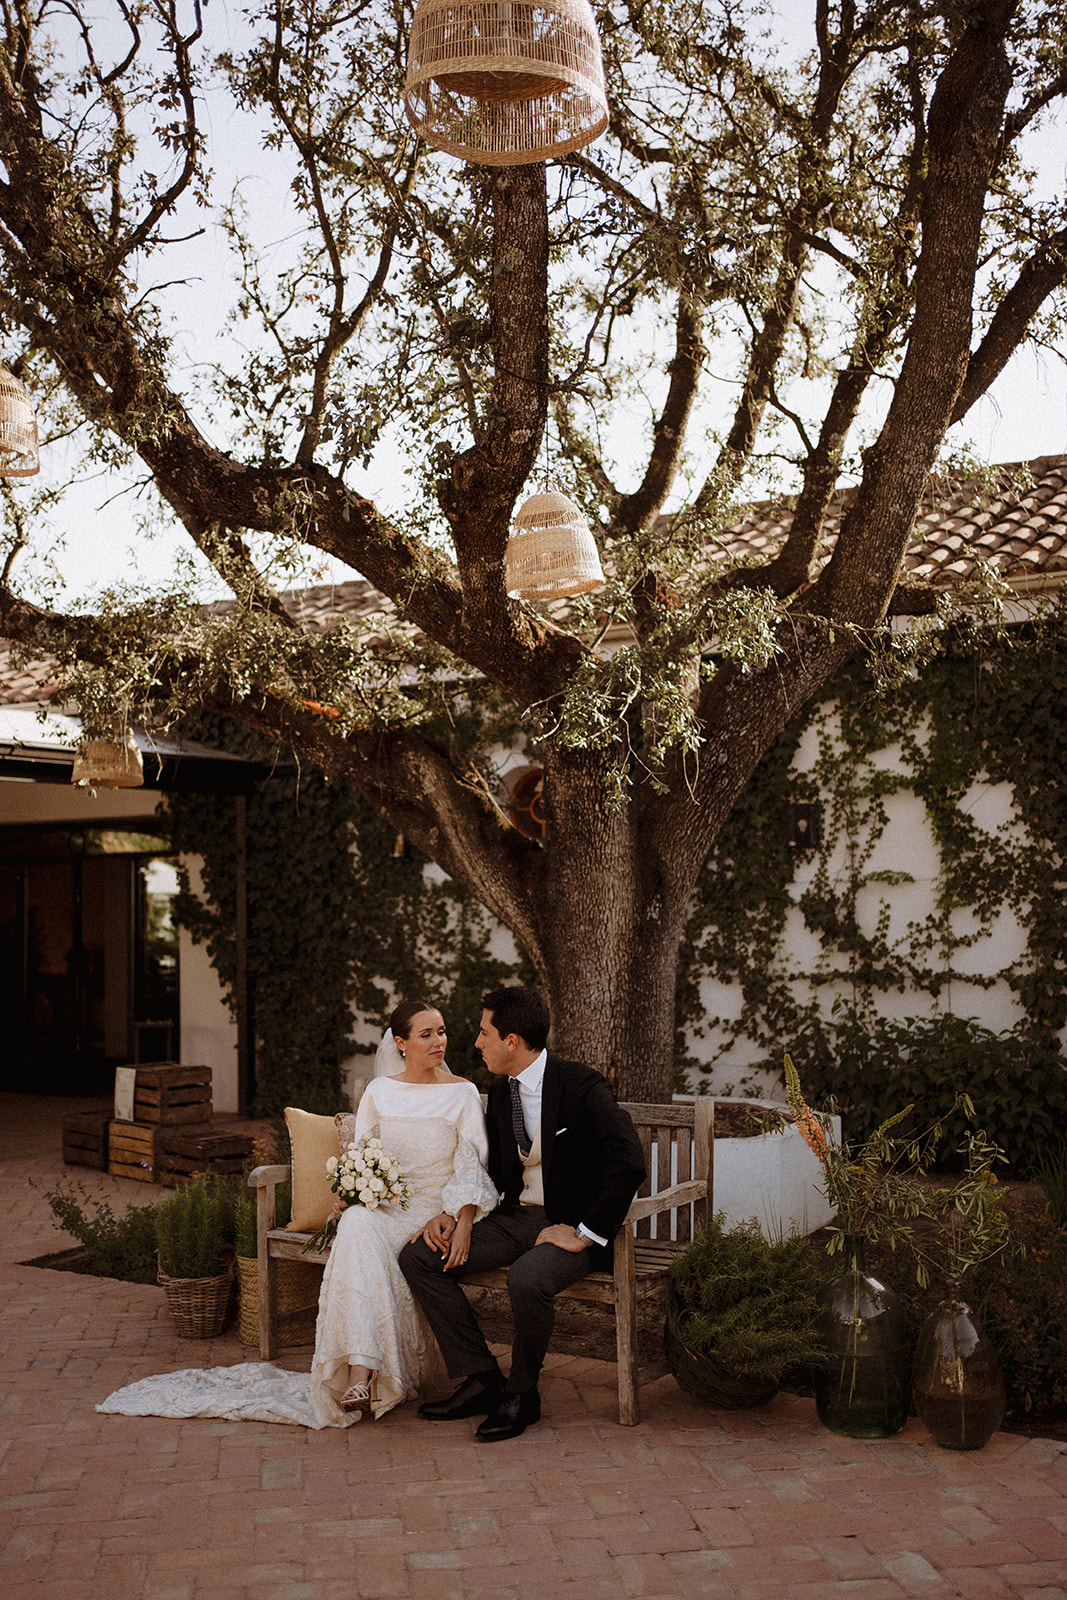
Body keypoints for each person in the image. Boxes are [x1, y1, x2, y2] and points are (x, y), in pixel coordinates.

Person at [96, 999, 499, 1429]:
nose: (439, 1042)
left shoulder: (461, 1093)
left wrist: (455, 1216)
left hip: (432, 1212)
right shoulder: (380, 1092)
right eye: (427, 1034)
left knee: (359, 1235)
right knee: (357, 1222)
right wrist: (352, 1193)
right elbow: (363, 1153)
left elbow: (472, 1165)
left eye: (442, 1032)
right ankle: (360, 1371)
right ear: (400, 1043)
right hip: (385, 1206)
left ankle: (369, 1370)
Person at [399, 986, 646, 1441]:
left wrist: (585, 1233)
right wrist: (456, 1214)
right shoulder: (501, 1091)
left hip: (572, 1225)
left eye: (484, 1033)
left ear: (511, 1041)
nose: (477, 1042)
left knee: (527, 1278)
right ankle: (481, 1379)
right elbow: (491, 1172)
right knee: (419, 1257)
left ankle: (522, 1393)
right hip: (516, 1218)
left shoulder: (582, 1085)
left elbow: (629, 1163)